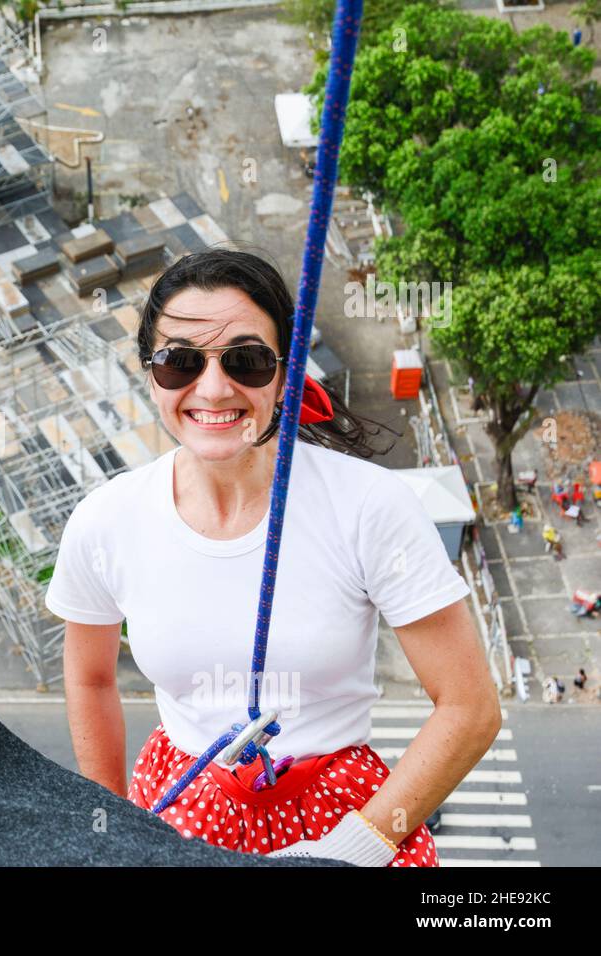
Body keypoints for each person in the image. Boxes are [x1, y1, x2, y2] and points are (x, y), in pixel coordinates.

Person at [45, 248, 502, 867]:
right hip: (180, 808)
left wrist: (354, 848)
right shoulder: (106, 521)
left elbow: (470, 707)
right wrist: (109, 830)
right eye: (179, 361)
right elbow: (91, 679)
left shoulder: (367, 507)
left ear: (284, 373)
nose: (211, 388)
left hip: (346, 816)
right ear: (150, 374)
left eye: (247, 361)